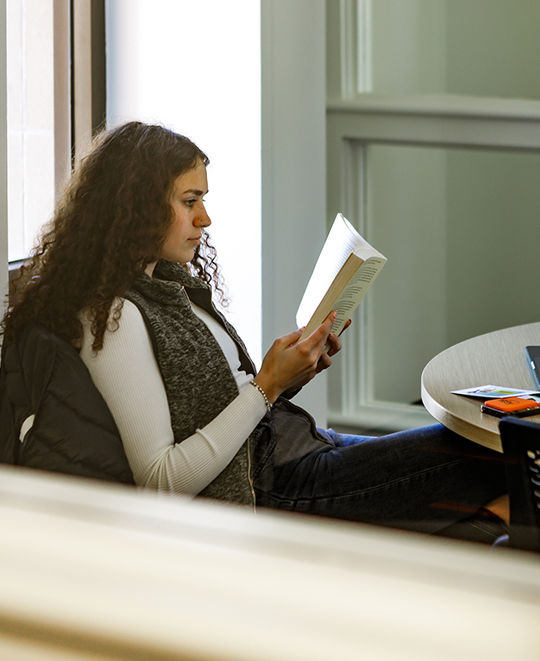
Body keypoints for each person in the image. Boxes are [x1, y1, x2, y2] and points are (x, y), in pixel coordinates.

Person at [1, 121, 508, 542]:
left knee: (493, 460)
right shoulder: (112, 315)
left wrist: (291, 374)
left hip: (295, 445)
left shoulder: (163, 283)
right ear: (133, 205)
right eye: (189, 200)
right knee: (489, 455)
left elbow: (223, 399)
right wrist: (267, 386)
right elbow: (161, 481)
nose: (205, 217)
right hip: (275, 482)